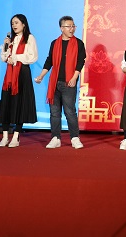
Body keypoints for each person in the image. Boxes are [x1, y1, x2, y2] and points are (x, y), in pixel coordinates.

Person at [35, 16, 86, 150]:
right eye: (69, 26)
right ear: (61, 28)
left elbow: (80, 61)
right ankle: (55, 138)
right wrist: (41, 76)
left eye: (73, 26)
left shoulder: (79, 43)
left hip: (69, 82)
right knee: (54, 112)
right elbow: (49, 61)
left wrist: (74, 77)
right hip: (55, 83)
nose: (72, 29)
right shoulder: (55, 43)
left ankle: (75, 138)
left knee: (70, 112)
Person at [0, 14, 38, 147]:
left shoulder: (29, 38)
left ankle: (16, 135)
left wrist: (15, 57)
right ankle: (5, 136)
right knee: (6, 102)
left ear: (23, 24)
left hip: (22, 73)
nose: (14, 25)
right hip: (10, 74)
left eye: (16, 22)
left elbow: (32, 56)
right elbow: (3, 57)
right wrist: (5, 46)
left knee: (20, 103)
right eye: (12, 23)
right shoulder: (11, 39)